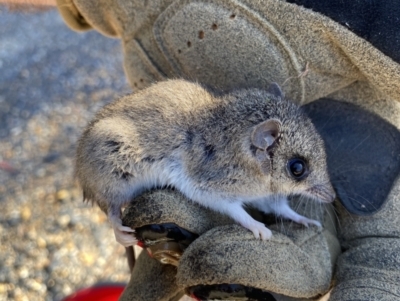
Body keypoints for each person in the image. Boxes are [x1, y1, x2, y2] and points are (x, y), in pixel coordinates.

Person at [7, 1, 400, 300]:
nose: (322, 190)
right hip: (125, 155)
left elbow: (269, 189)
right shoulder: (227, 160)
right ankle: (114, 212)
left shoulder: (260, 155)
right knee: (120, 177)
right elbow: (206, 188)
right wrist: (252, 224)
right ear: (262, 143)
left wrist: (291, 211)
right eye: (299, 169)